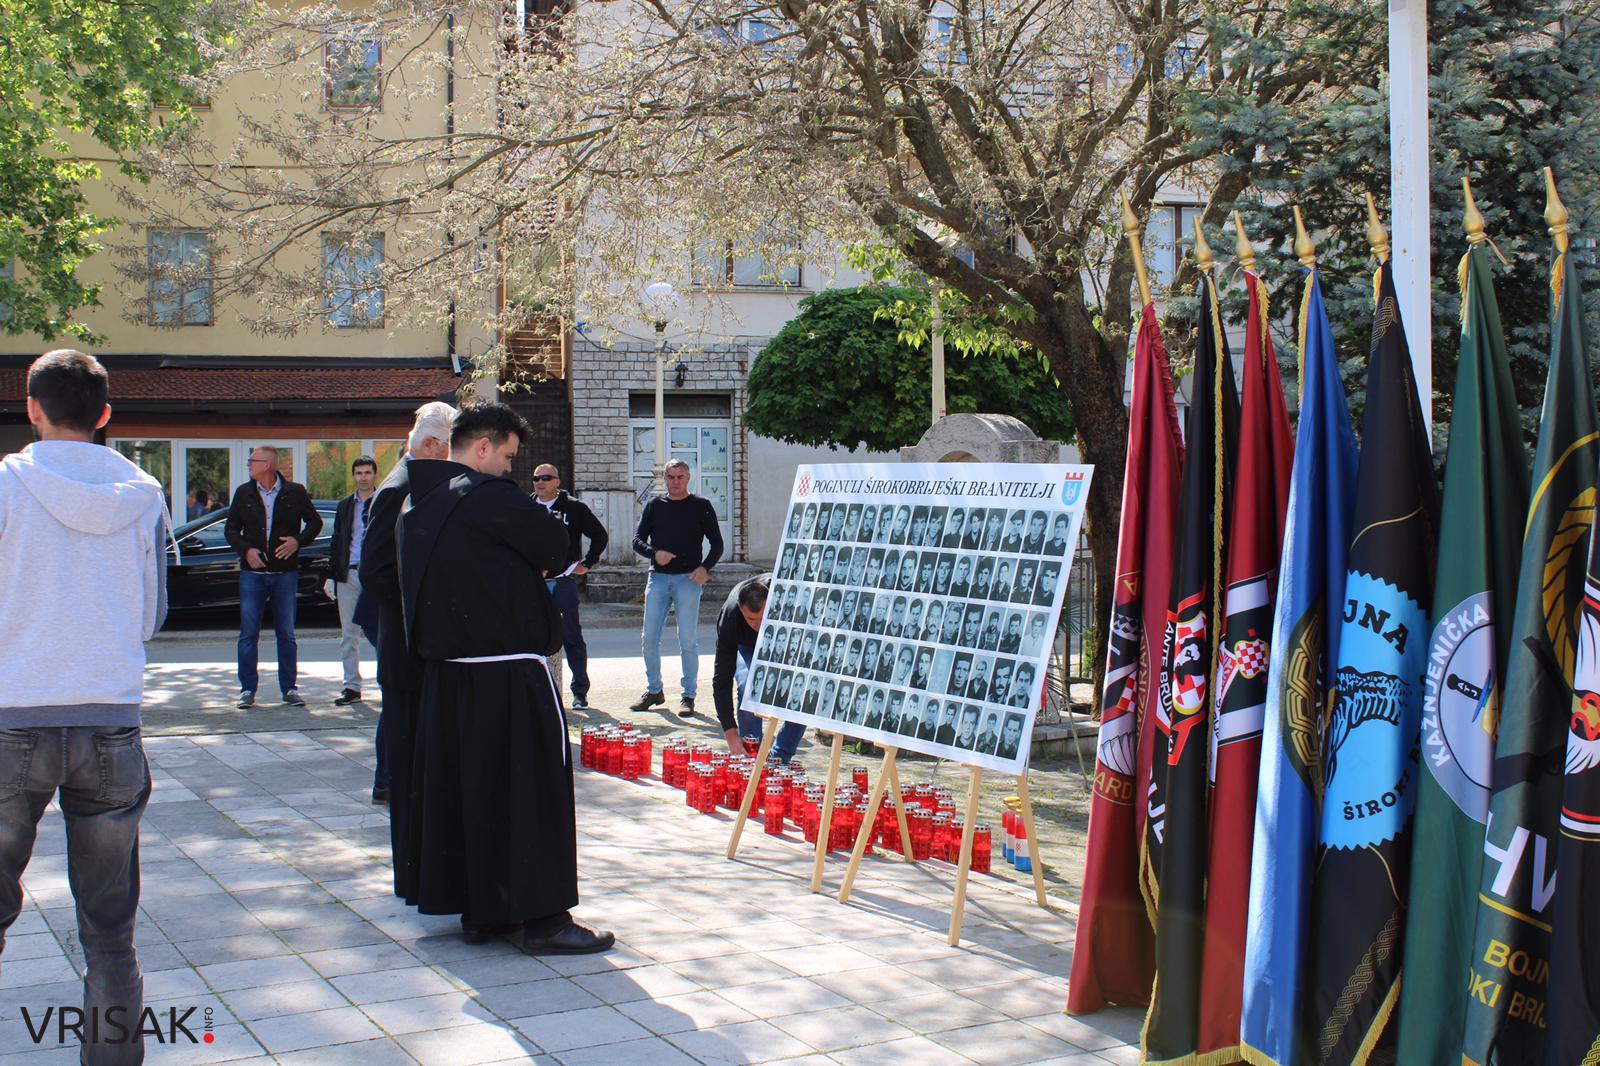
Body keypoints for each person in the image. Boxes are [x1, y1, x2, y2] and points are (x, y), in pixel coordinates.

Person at [0, 350, 167, 1066]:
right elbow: (153, 612)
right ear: (104, 415)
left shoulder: (6, 486)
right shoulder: (145, 491)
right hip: (110, 717)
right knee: (109, 929)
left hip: (14, 712)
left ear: (30, 407)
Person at [398, 400, 612, 955]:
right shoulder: (490, 496)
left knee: (476, 794)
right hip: (509, 673)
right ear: (483, 447)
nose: (512, 470)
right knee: (532, 793)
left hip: (451, 681)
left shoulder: (419, 505)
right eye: (510, 457)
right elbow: (558, 545)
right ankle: (543, 918)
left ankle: (485, 911)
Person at [359, 402, 453, 853]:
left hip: (411, 634)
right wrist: (422, 607)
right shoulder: (398, 487)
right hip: (403, 635)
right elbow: (375, 570)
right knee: (402, 723)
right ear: (431, 444)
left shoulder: (414, 479)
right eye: (451, 447)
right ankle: (394, 792)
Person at [225, 444, 323, 709]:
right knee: (248, 634)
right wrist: (246, 550)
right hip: (252, 575)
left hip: (285, 574)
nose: (248, 464)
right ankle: (247, 690)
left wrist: (297, 541)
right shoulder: (244, 492)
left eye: (252, 460)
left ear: (267, 464)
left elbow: (315, 522)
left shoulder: (294, 492)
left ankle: (289, 688)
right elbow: (231, 529)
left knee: (286, 634)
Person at [631, 459, 724, 716]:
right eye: (670, 477)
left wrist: (705, 568)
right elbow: (637, 540)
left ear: (688, 477)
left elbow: (717, 543)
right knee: (649, 638)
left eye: (680, 477)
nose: (675, 482)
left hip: (688, 580)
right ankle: (654, 690)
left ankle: (688, 695)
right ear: (665, 478)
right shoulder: (654, 505)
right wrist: (654, 553)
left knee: (688, 640)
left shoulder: (701, 506)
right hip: (658, 578)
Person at [532, 463, 609, 710]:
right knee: (532, 637)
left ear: (557, 481)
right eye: (536, 478)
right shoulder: (526, 506)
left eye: (546, 478)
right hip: (533, 583)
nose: (540, 482)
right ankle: (538, 691)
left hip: (563, 580)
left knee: (571, 636)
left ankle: (580, 692)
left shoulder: (573, 508)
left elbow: (599, 534)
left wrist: (586, 563)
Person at [714, 575, 806, 762]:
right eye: (752, 619)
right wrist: (730, 733)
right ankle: (751, 752)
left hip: (785, 641)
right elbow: (722, 678)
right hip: (747, 646)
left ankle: (781, 757)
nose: (759, 626)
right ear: (741, 610)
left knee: (802, 689)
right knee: (748, 685)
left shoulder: (787, 594)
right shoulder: (730, 618)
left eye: (765, 618)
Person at [331, 454, 380, 707]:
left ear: (375, 475)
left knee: (381, 632)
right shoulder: (344, 506)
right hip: (348, 573)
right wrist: (331, 575)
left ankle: (386, 682)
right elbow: (337, 540)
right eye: (359, 473)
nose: (363, 477)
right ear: (353, 476)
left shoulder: (384, 501)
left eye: (367, 473)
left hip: (374, 574)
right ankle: (351, 686)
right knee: (349, 634)